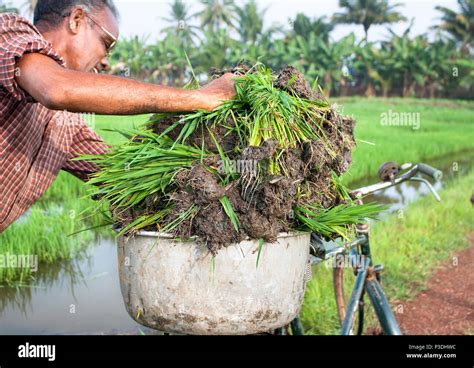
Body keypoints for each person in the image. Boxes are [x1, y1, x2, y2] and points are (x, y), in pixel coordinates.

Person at [0, 0, 235, 232]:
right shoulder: (8, 32)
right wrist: (200, 98)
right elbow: (57, 89)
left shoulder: (65, 125)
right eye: (106, 43)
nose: (105, 62)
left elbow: (124, 176)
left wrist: (217, 171)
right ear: (76, 20)